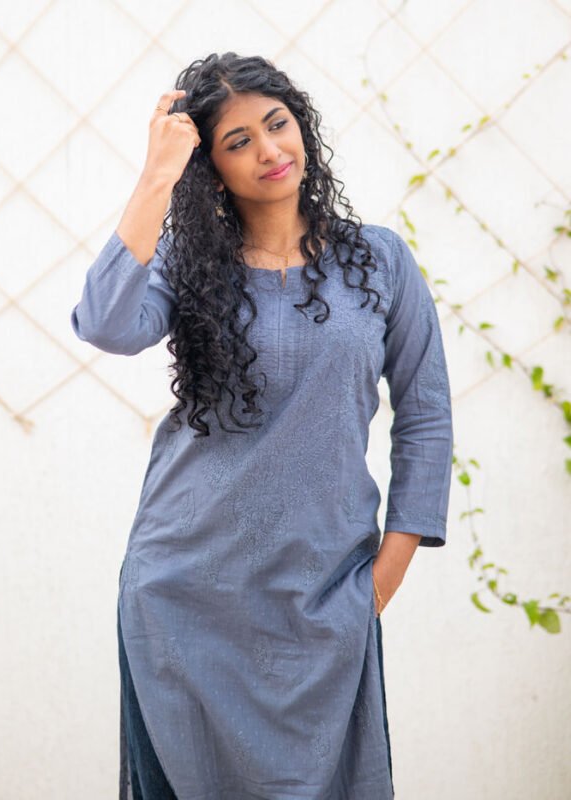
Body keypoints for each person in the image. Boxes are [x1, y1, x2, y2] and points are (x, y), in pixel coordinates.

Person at [71, 52, 454, 800]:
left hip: (324, 599)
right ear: (211, 169)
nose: (269, 150)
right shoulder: (187, 264)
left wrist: (386, 575)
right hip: (184, 595)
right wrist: (156, 176)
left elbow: (426, 415)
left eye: (277, 125)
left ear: (301, 126)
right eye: (238, 141)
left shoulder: (378, 261)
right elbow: (106, 324)